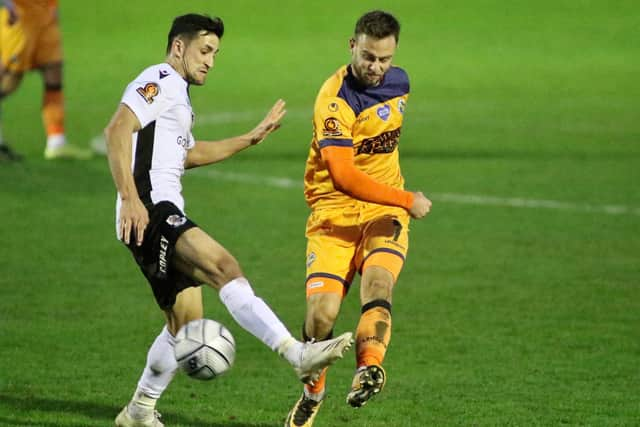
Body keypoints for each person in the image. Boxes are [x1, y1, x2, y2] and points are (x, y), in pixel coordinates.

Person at [104, 14, 353, 427]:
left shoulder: (178, 98)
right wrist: (130, 198)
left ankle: (139, 410)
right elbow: (117, 130)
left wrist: (250, 138)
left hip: (154, 211)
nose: (211, 61)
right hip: (151, 209)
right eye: (204, 51)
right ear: (179, 47)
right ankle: (297, 354)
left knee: (184, 324)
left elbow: (187, 155)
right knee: (224, 267)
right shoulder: (161, 78)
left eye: (216, 53)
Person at [285, 10, 432, 427]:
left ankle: (369, 368)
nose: (376, 68)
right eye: (368, 57)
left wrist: (395, 203)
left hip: (382, 212)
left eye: (385, 59)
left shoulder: (399, 83)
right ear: (352, 46)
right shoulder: (334, 101)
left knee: (379, 283)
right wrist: (406, 198)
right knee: (321, 317)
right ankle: (313, 393)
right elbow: (344, 176)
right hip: (334, 213)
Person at [0, 0, 91, 161]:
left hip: (46, 14)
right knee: (10, 78)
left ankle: (56, 141)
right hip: (21, 15)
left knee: (53, 71)